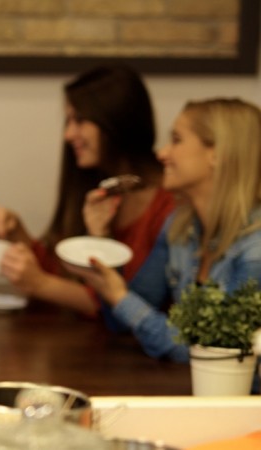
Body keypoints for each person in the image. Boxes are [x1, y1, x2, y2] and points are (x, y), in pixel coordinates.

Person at [0, 65, 175, 317]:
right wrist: (16, 232)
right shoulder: (97, 188)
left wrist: (39, 284)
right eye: (68, 121)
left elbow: (122, 305)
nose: (68, 134)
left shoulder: (168, 205)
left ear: (116, 119)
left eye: (79, 120)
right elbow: (67, 275)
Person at [73, 98, 261, 362]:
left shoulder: (256, 248)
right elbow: (124, 322)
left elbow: (214, 353)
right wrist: (102, 240)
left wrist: (120, 296)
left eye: (176, 140)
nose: (162, 153)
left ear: (217, 155)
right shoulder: (180, 226)